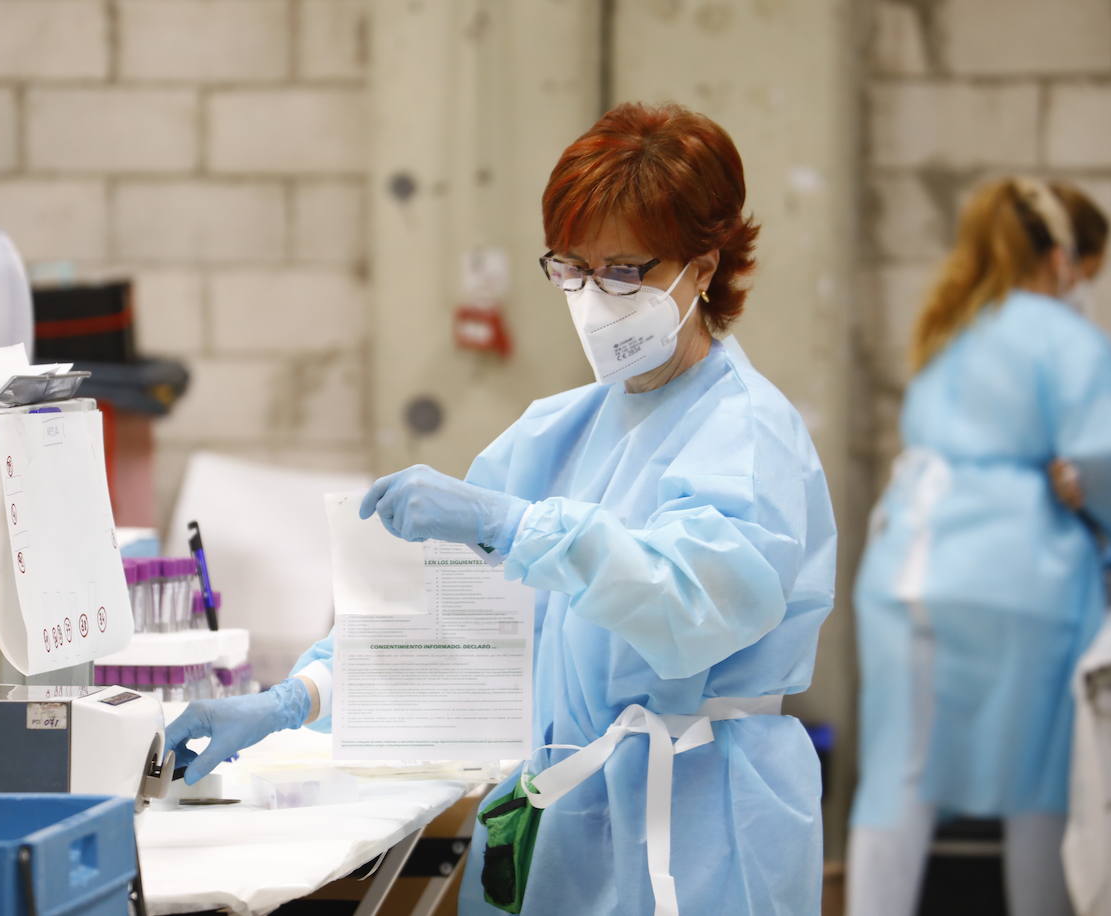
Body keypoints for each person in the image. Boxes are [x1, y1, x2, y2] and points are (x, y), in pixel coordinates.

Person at [166, 102, 837, 915]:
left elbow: (693, 605)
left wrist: (518, 528)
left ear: (704, 265)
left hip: (699, 830)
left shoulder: (747, 431)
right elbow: (443, 619)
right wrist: (296, 697)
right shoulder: (555, 435)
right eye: (572, 270)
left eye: (626, 271)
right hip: (562, 819)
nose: (595, 298)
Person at [847, 178, 1111, 916]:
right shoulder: (1067, 337)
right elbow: (1107, 465)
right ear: (1064, 260)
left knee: (896, 780)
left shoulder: (950, 323)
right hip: (1021, 577)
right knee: (1045, 791)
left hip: (905, 571)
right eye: (1088, 276)